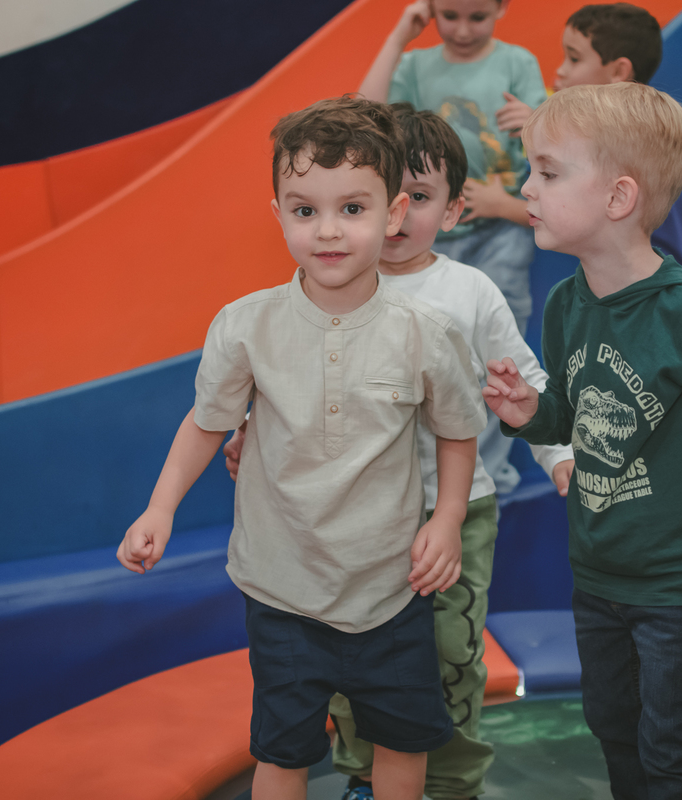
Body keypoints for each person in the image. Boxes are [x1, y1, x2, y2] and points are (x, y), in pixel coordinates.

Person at [116, 96, 487, 800]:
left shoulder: (424, 332)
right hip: (283, 589)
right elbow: (205, 424)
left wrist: (445, 521)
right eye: (305, 209)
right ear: (279, 214)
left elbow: (458, 431)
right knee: (283, 747)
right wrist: (159, 509)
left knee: (404, 740)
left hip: (390, 588)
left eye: (353, 209)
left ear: (395, 212)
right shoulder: (246, 327)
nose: (328, 231)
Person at [227, 103, 574, 800]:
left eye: (423, 197)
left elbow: (523, 381)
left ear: (452, 211)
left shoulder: (465, 291)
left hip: (455, 513)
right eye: (395, 193)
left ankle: (452, 783)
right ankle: (365, 775)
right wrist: (252, 432)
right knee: (357, 660)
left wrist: (559, 453)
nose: (405, 211)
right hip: (347, 524)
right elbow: (291, 381)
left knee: (446, 658)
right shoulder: (333, 280)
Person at [482, 82, 682, 800]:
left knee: (671, 745)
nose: (527, 187)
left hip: (681, 579)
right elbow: (574, 414)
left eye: (549, 173)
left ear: (619, 198)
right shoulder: (567, 303)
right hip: (599, 572)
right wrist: (530, 411)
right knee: (612, 723)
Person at [465, 2, 682, 287]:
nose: (559, 71)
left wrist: (499, 205)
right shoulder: (629, 133)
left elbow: (566, 208)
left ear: (618, 71)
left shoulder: (632, 137)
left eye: (574, 59)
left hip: (670, 296)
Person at [358, 0, 547, 336]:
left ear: (501, 7)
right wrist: (398, 38)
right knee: (424, 321)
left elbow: (551, 149)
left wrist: (535, 121)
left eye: (477, 17)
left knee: (500, 313)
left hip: (499, 227)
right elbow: (365, 119)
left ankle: (498, 384)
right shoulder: (416, 65)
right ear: (431, 8)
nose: (462, 30)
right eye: (449, 16)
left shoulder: (518, 63)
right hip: (428, 229)